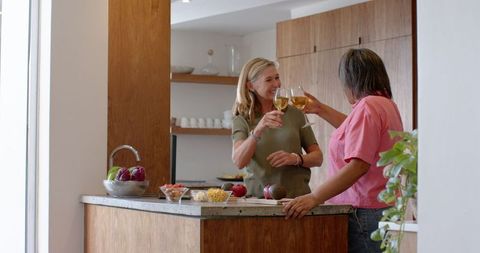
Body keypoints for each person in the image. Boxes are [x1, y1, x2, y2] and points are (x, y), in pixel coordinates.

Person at [283, 48, 404, 253]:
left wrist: (314, 197)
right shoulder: (386, 104)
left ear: (351, 80)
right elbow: (353, 130)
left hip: (363, 213)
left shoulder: (367, 106)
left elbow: (358, 166)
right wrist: (321, 109)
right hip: (383, 209)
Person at [231, 57, 323, 198]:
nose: (277, 84)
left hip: (297, 200)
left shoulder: (295, 112)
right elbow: (239, 161)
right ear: (250, 86)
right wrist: (258, 129)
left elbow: (318, 158)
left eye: (277, 78)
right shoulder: (242, 119)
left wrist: (295, 158)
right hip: (258, 201)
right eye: (269, 80)